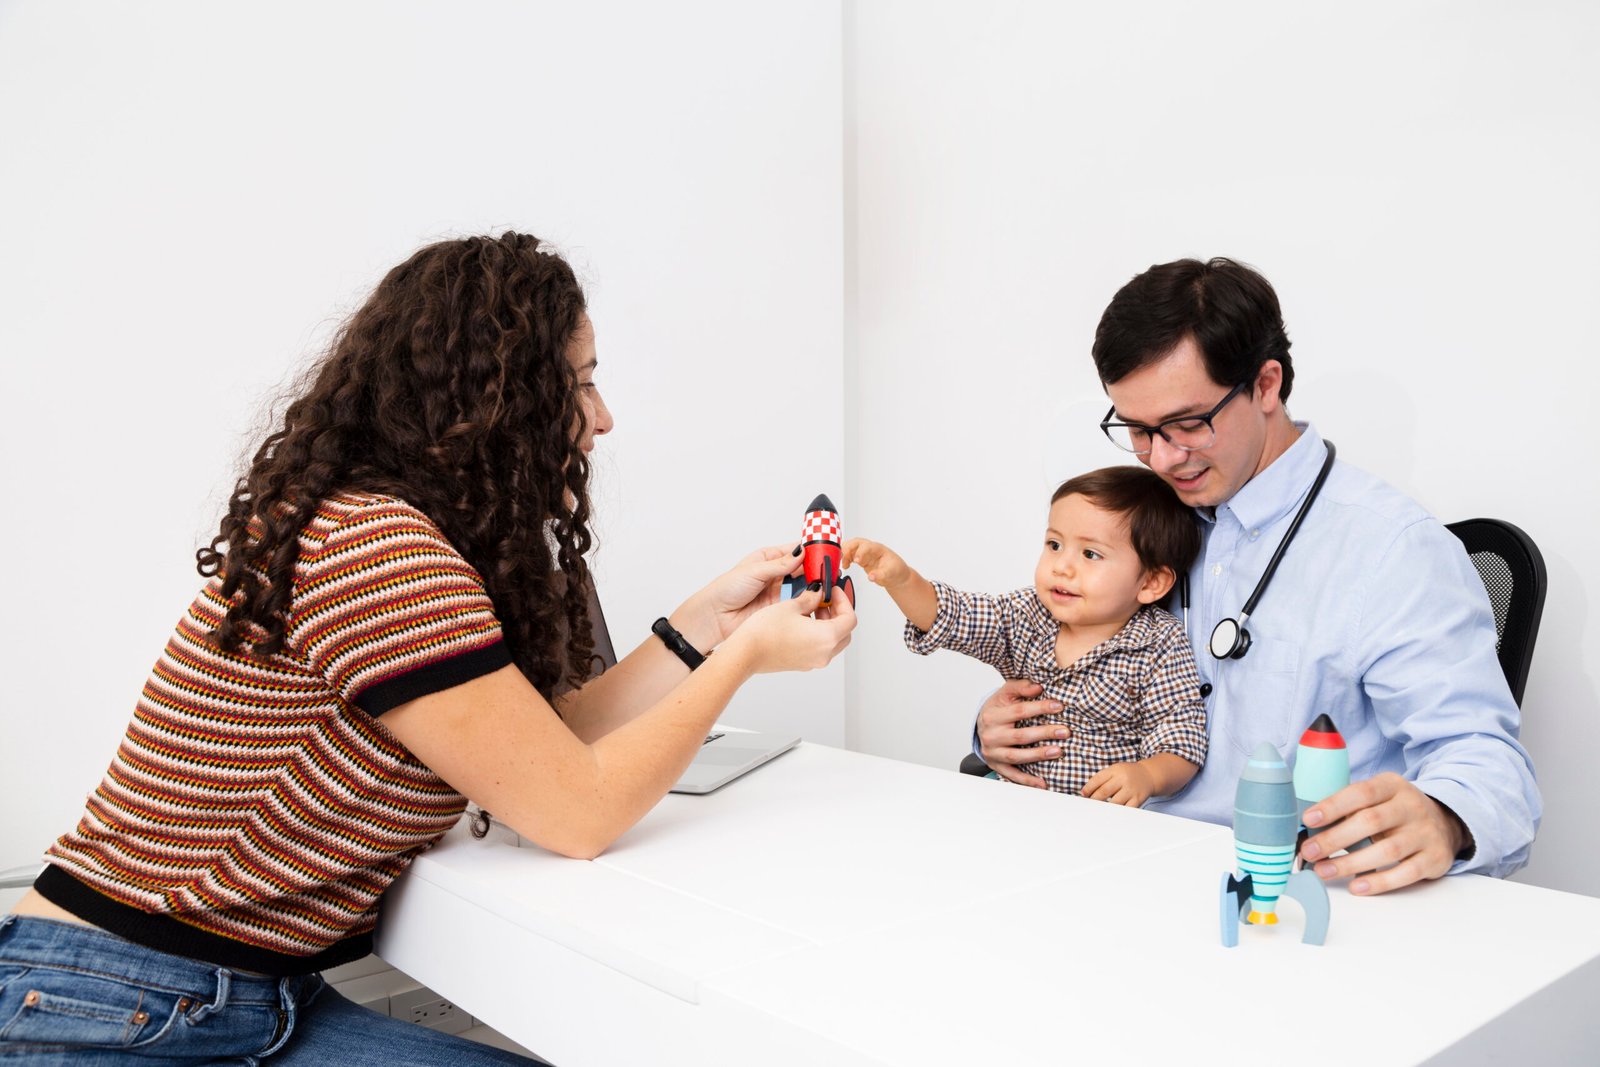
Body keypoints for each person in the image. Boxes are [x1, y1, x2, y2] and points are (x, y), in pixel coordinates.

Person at [1, 232, 855, 1064]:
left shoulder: (368, 525)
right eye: (581, 385)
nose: (602, 418)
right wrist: (748, 661)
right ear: (499, 399)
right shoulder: (378, 550)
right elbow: (577, 813)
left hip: (226, 994)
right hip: (129, 997)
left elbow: (549, 749)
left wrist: (705, 628)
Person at [975, 257, 1539, 895]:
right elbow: (1064, 665)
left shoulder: (1391, 550)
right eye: (1137, 429)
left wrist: (1444, 817)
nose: (1162, 457)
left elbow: (1493, 773)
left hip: (1286, 896)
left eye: (1189, 424)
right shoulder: (1133, 523)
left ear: (1265, 385)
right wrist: (1005, 731)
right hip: (1102, 865)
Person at [845, 467, 1207, 806]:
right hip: (1017, 806)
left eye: (1090, 554)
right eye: (1054, 545)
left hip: (1101, 822)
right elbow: (954, 616)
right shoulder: (1027, 614)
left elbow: (1181, 739)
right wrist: (902, 580)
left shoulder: (1159, 642)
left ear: (1150, 582)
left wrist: (1147, 775)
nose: (1062, 566)